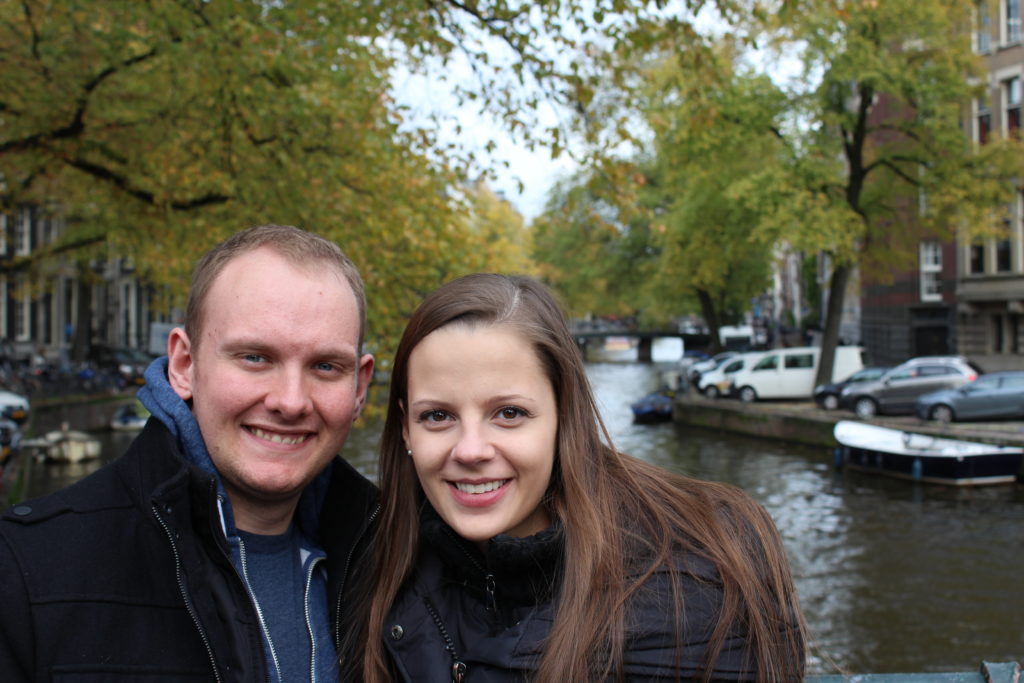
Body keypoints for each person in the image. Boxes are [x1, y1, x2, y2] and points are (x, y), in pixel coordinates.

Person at [346, 273, 806, 682]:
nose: (470, 450)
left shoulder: (700, 578)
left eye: (509, 413)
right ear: (406, 426)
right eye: (438, 416)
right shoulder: (369, 562)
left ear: (564, 417)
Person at [0, 224, 378, 681]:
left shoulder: (400, 557)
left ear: (359, 387)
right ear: (184, 364)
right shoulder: (23, 571)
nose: (291, 400)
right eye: (255, 358)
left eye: (324, 366)